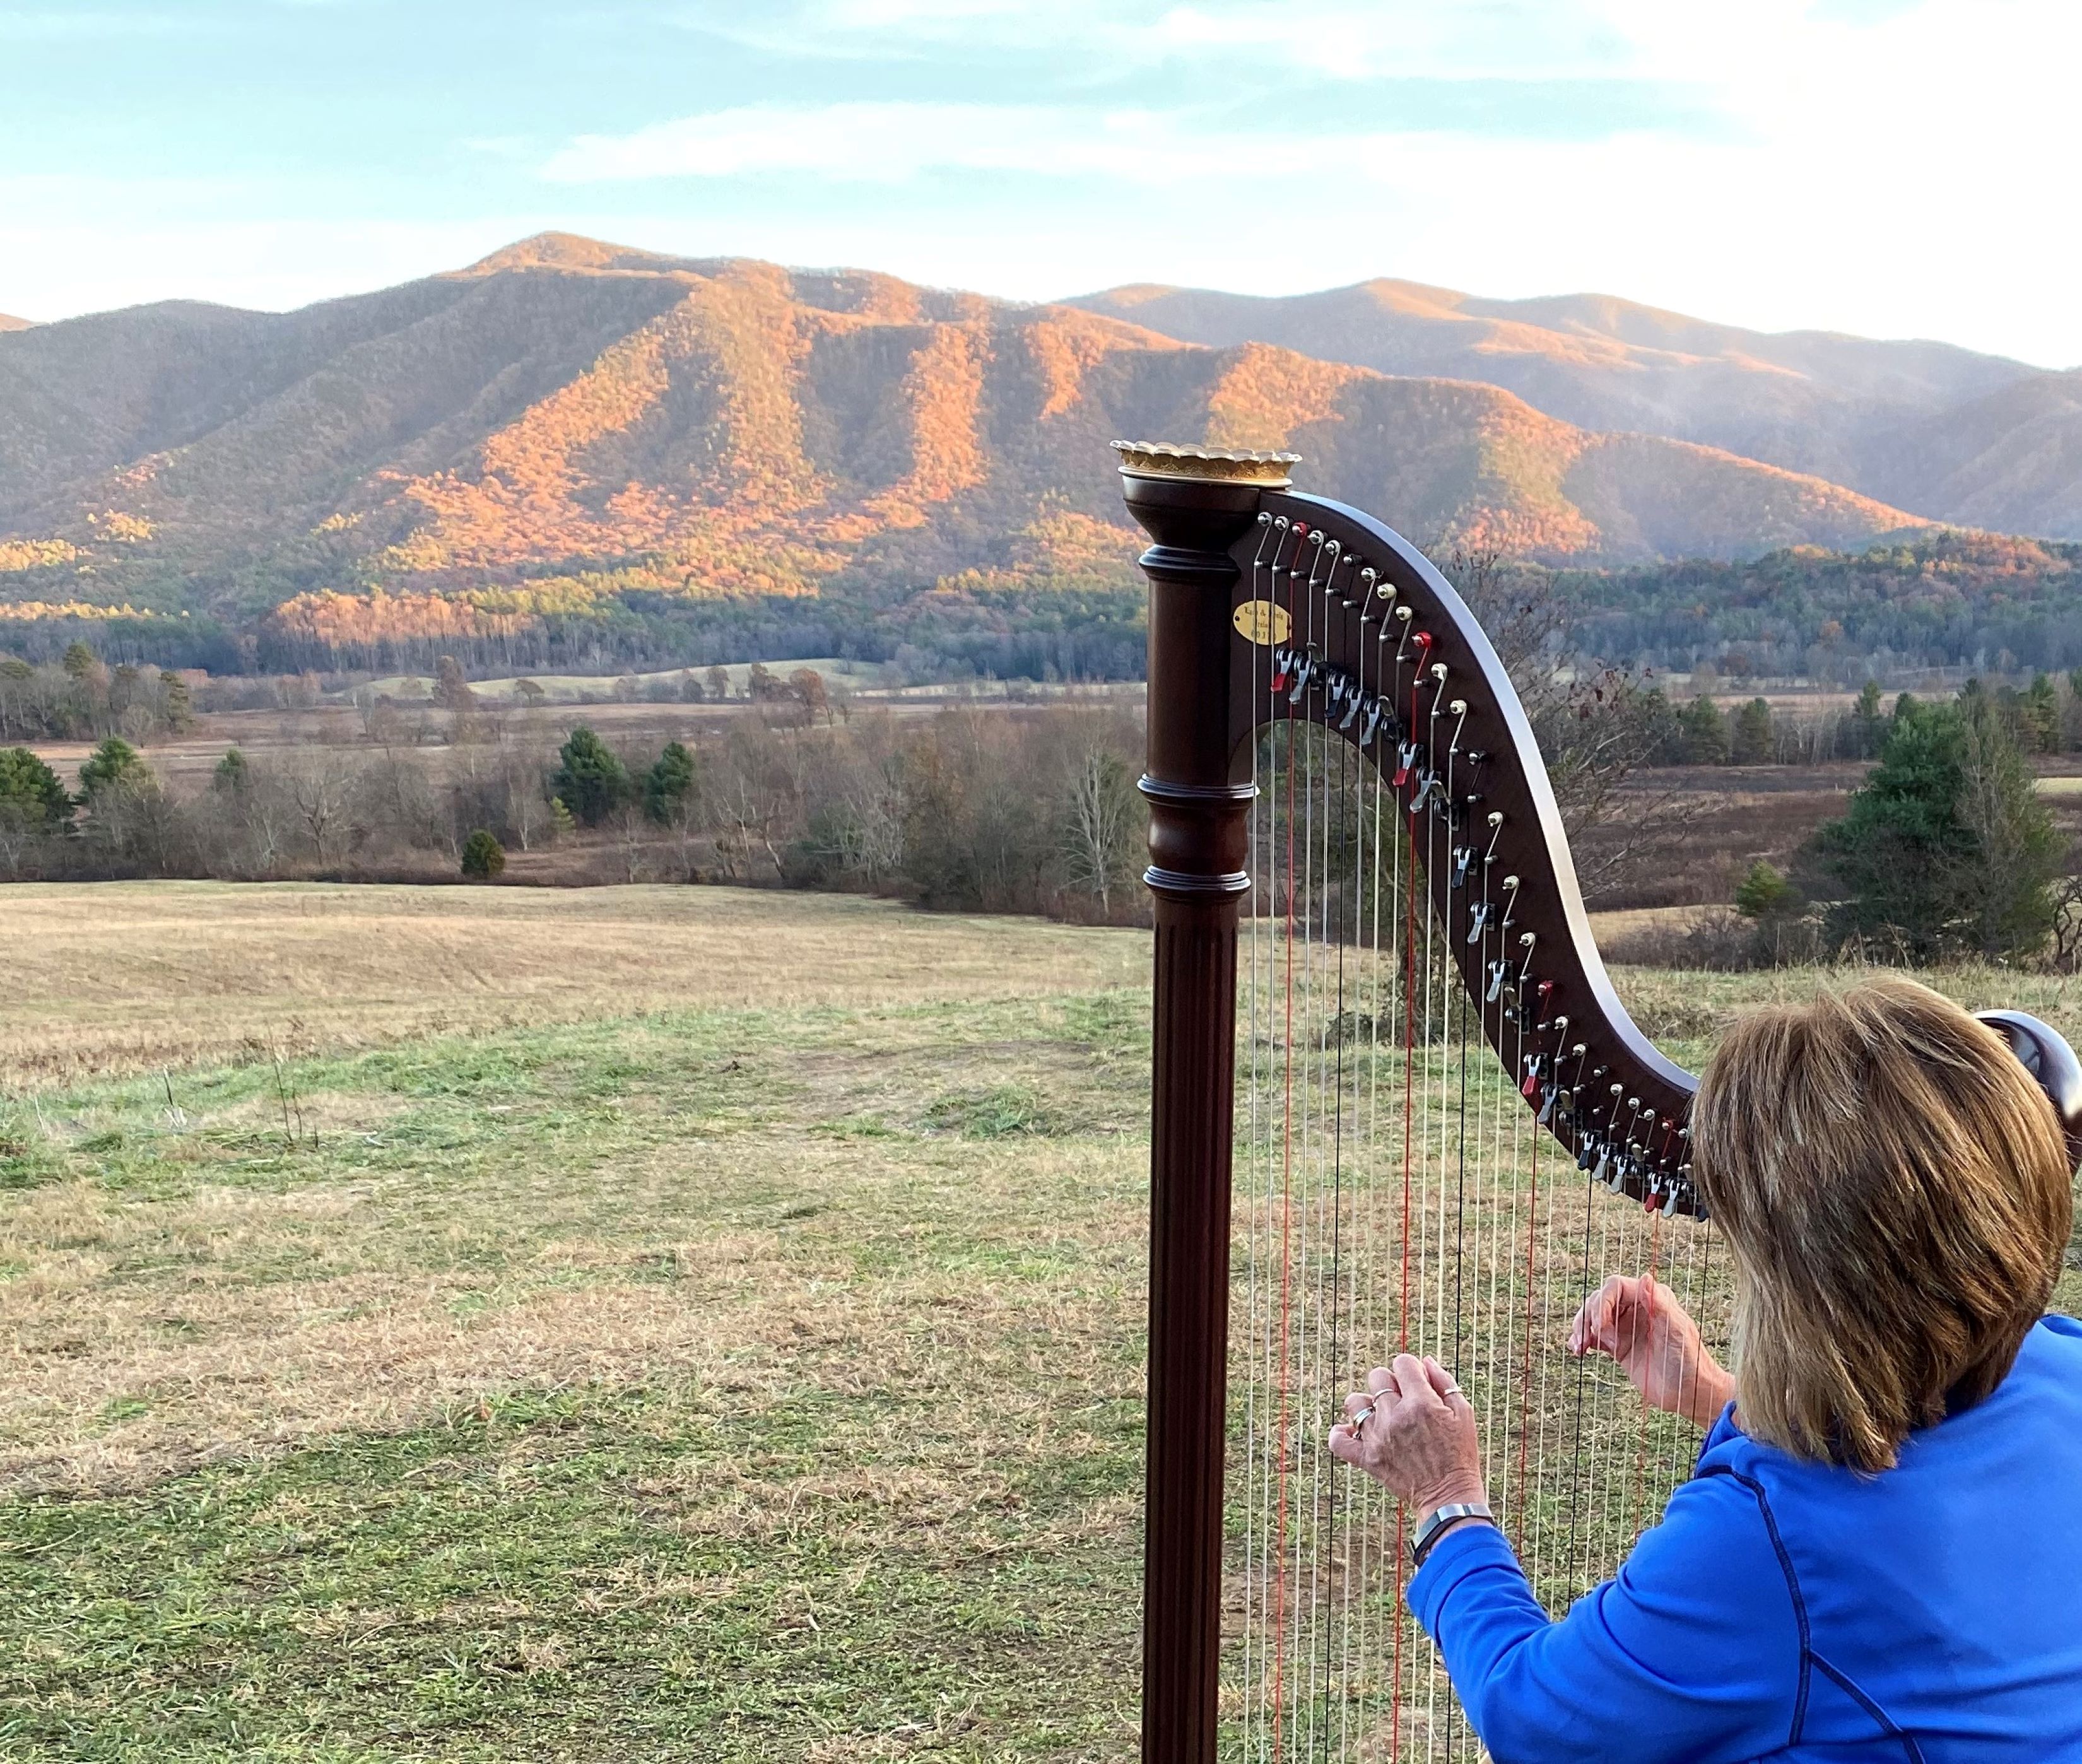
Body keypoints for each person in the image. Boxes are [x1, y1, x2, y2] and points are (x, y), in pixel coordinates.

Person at [1329, 978, 2082, 1761]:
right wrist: (1719, 1394)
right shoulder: (2064, 1362)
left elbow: (1535, 1720)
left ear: (1818, 1281)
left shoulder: (1762, 1552)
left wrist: (1446, 1497)